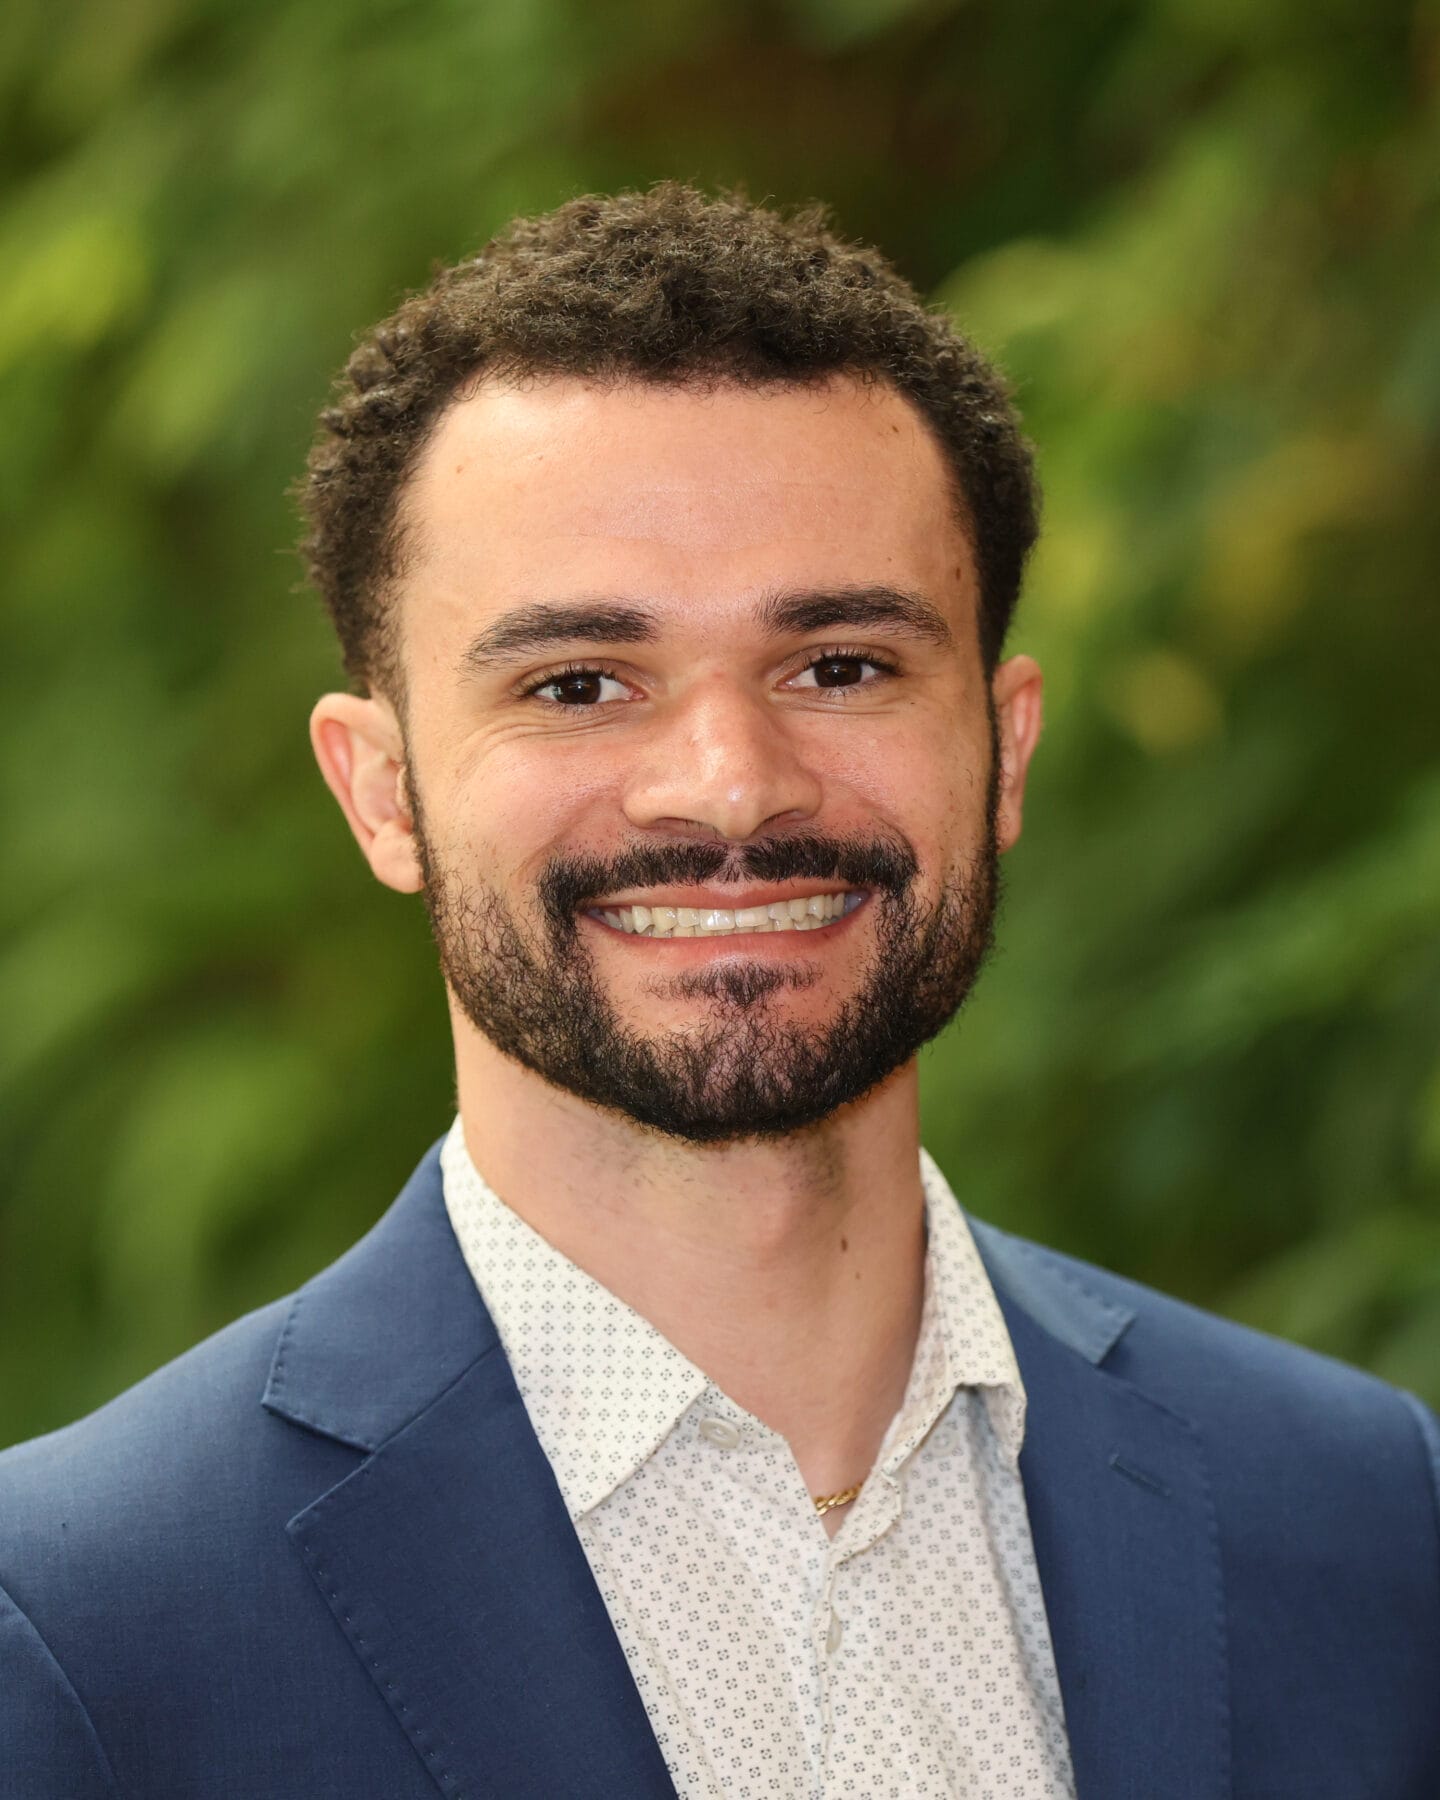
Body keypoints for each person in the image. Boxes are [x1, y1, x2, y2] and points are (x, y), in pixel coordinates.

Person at [1, 184, 1436, 1800]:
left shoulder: (1364, 1520)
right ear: (383, 794)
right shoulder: (81, 1621)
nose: (730, 786)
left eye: (841, 665)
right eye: (579, 685)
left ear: (1006, 743)